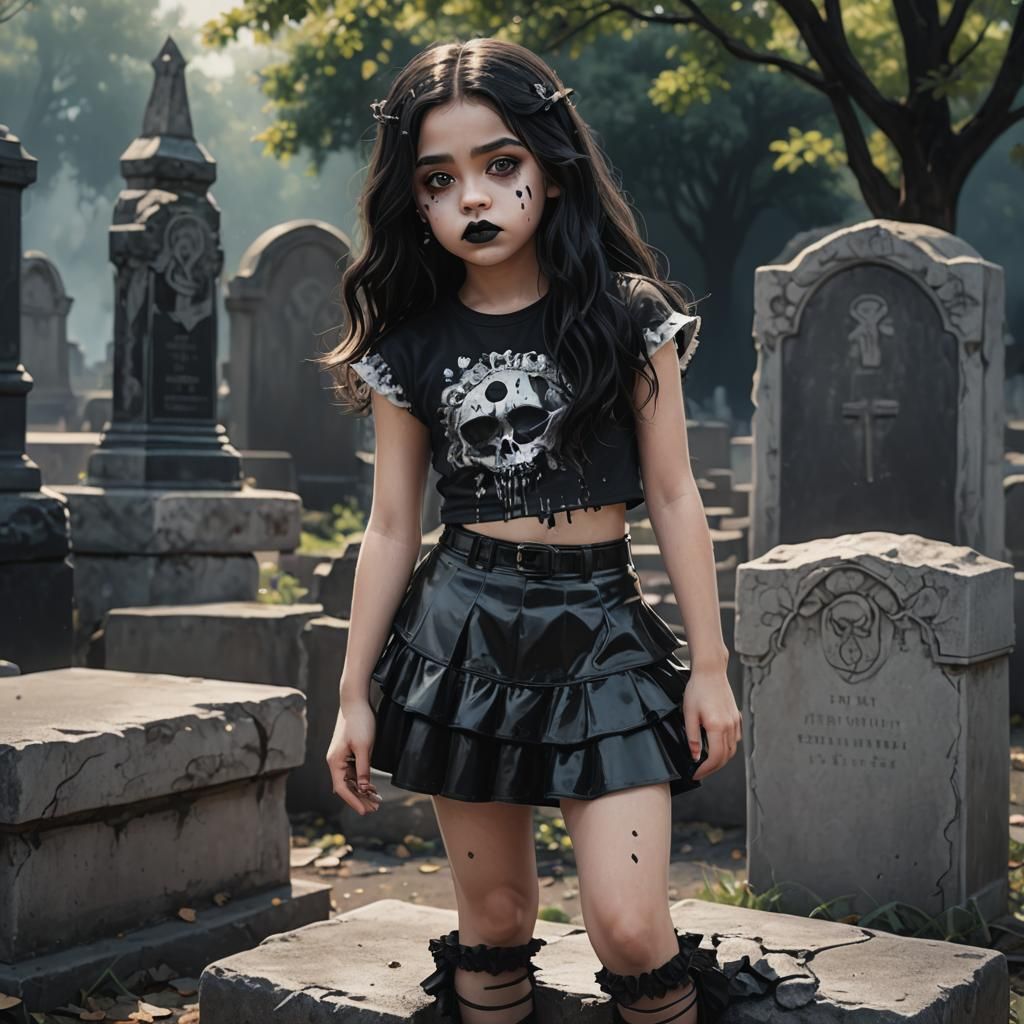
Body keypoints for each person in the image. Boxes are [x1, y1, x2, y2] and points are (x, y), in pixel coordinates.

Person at [320, 36, 741, 1024]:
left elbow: (675, 497)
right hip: (462, 634)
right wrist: (352, 692)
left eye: (499, 166)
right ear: (413, 200)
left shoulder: (627, 317)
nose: (472, 197)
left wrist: (711, 667)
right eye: (440, 178)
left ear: (551, 172)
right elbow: (390, 527)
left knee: (632, 927)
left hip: (600, 630)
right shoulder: (409, 347)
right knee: (498, 918)